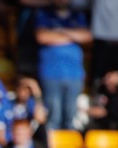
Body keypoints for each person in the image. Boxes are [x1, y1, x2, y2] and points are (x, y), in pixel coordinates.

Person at [34, 0, 91, 131]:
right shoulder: (44, 14)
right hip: (51, 73)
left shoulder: (77, 15)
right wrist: (72, 35)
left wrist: (59, 32)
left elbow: (86, 36)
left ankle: (69, 147)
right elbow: (42, 36)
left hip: (74, 74)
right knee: (53, 117)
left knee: (71, 117)